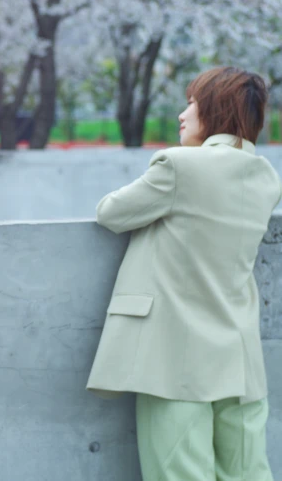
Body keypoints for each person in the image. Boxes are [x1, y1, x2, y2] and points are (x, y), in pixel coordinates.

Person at [87, 67, 281, 480]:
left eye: (192, 102)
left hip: (174, 357)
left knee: (180, 473)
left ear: (216, 108)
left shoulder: (178, 166)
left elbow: (111, 213)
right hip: (238, 354)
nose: (182, 113)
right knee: (248, 472)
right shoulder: (266, 176)